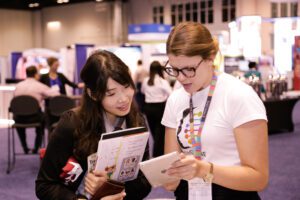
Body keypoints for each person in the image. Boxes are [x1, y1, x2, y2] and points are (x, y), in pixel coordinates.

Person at [161, 22, 268, 199]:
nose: (180, 78)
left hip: (232, 194)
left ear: (211, 57)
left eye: (189, 69)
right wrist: (170, 177)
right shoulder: (175, 100)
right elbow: (170, 173)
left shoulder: (239, 96)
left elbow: (258, 178)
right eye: (174, 69)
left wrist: (204, 169)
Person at [35, 50, 151, 200]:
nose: (123, 99)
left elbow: (144, 184)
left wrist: (112, 185)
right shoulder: (72, 123)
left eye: (127, 86)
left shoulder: (136, 121)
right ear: (93, 94)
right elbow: (44, 186)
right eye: (111, 93)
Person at [14, 66, 59, 154]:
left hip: (19, 118)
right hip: (34, 117)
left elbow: (15, 101)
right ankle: (36, 148)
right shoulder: (40, 86)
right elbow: (56, 94)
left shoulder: (18, 86)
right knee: (43, 121)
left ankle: (25, 147)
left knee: (19, 119)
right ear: (35, 75)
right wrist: (44, 96)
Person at [141, 61, 172, 157]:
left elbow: (142, 91)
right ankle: (157, 153)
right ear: (160, 69)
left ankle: (156, 151)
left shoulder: (146, 81)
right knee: (160, 131)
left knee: (153, 130)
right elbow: (170, 93)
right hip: (159, 107)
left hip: (148, 108)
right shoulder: (162, 81)